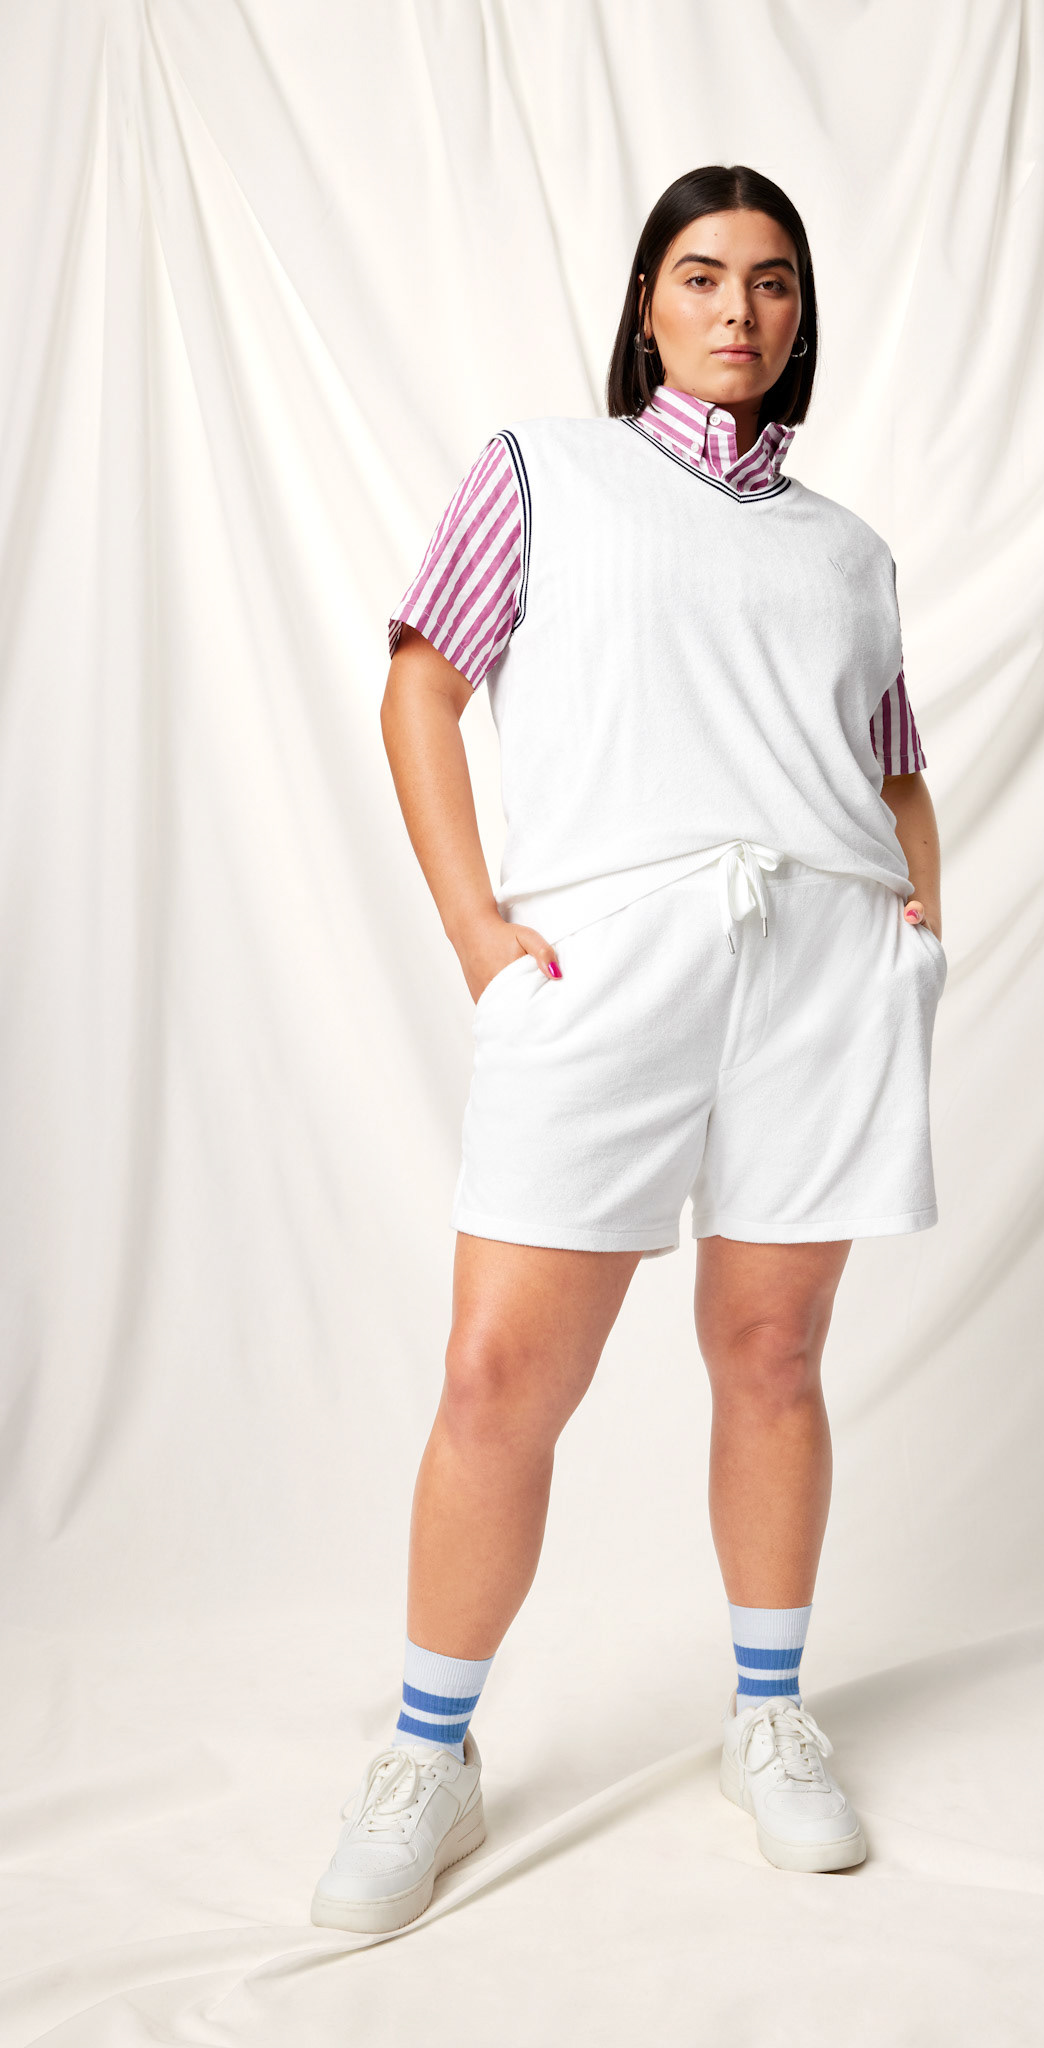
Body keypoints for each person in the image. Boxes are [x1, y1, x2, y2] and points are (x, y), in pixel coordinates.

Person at [311, 163, 946, 1932]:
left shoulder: (849, 550)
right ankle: (428, 1754)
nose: (740, 308)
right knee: (499, 1373)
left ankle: (770, 1716)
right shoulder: (544, 469)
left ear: (801, 316)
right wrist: (478, 934)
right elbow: (422, 683)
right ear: (648, 304)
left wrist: (917, 927)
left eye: (773, 280)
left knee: (774, 1352)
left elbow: (892, 766)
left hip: (819, 965)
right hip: (609, 961)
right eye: (703, 274)